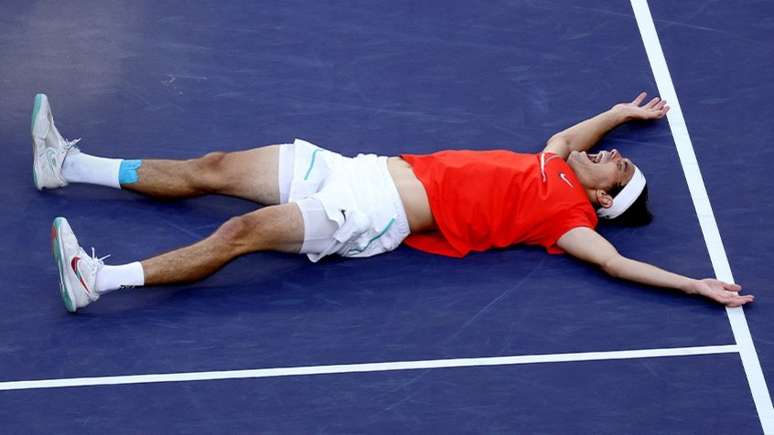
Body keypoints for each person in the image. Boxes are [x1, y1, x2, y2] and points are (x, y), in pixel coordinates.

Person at [32, 92, 753, 313]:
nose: (613, 155)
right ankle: (68, 165)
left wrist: (692, 283)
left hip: (372, 215)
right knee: (213, 168)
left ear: (604, 200)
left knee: (242, 232)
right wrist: (621, 115)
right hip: (360, 169)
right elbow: (571, 133)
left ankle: (99, 280)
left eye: (618, 168)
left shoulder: (565, 220)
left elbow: (620, 265)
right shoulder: (556, 161)